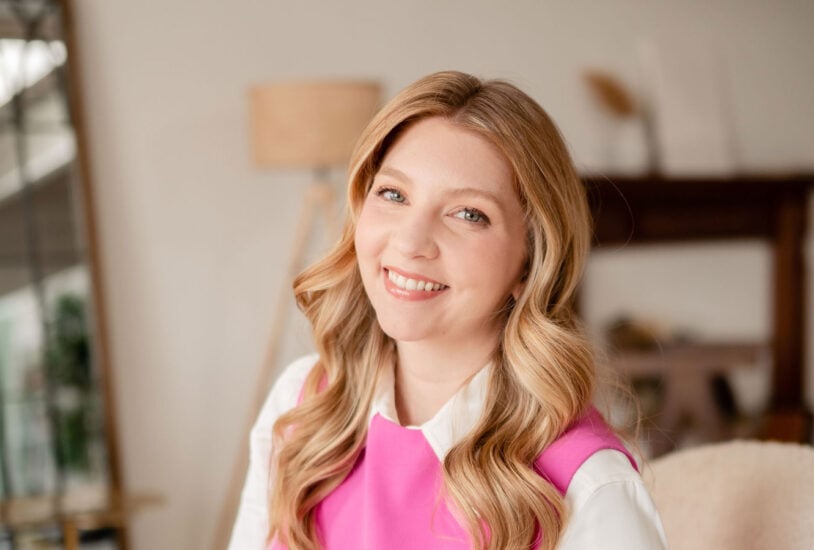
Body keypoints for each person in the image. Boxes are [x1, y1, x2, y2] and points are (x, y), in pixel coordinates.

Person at [229, 70, 668, 550]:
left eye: (468, 214)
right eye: (393, 194)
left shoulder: (589, 488)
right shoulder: (302, 405)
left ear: (531, 261)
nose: (411, 242)